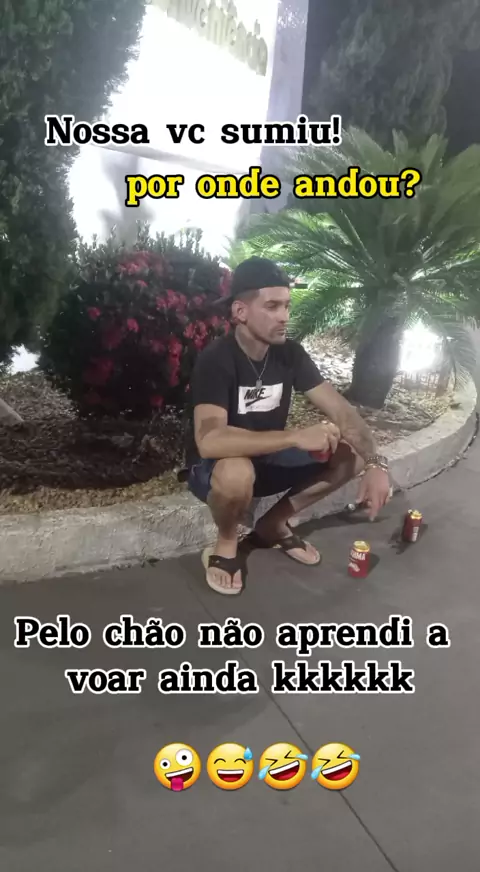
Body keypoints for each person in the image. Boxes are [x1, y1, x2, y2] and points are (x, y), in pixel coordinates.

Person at [188, 256, 391, 595]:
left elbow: (341, 411)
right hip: (216, 469)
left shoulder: (290, 354)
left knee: (350, 456)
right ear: (240, 311)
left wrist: (376, 462)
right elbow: (210, 440)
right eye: (272, 306)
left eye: (286, 306)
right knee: (237, 472)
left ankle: (273, 524)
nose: (284, 316)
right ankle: (226, 541)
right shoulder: (217, 359)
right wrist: (295, 437)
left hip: (267, 461)